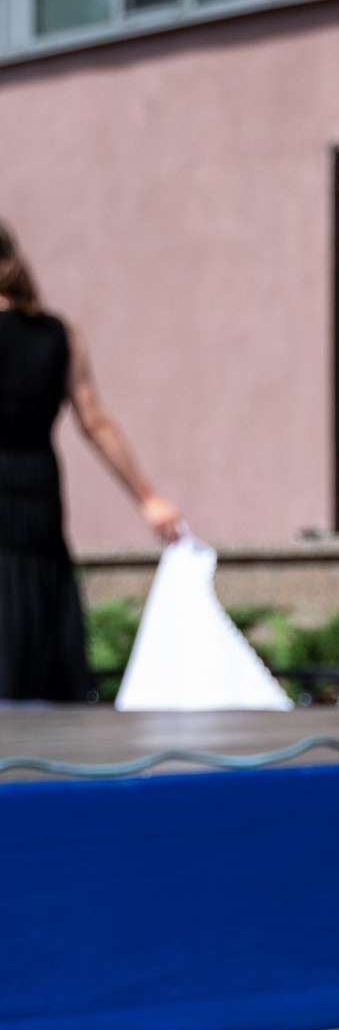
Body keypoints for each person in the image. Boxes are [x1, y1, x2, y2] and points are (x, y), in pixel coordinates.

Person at [0, 222, 184, 702]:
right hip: (39, 492)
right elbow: (94, 420)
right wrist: (148, 498)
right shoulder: (58, 334)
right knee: (38, 607)